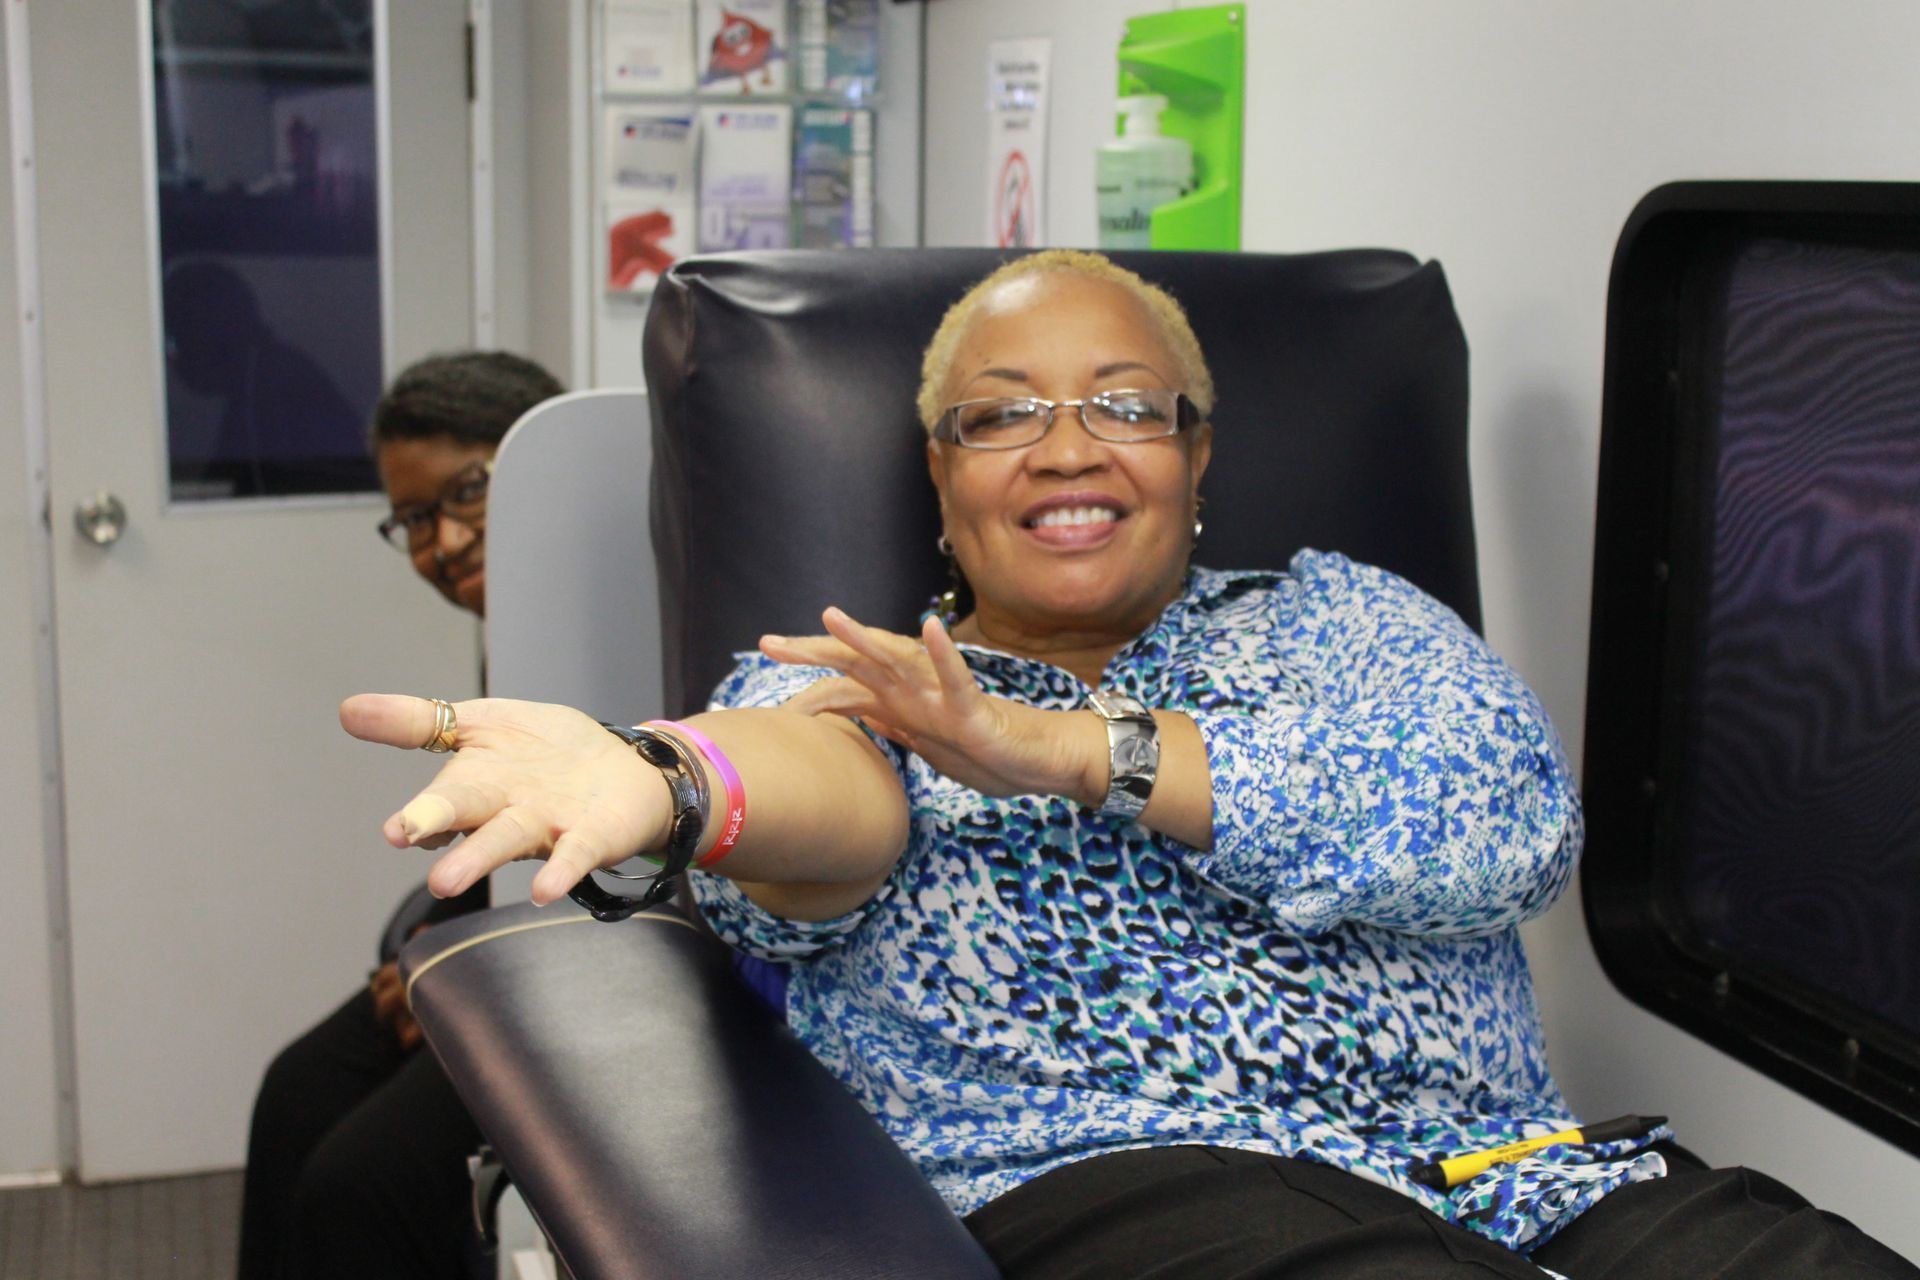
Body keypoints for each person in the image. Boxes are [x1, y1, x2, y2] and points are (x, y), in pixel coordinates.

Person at [340, 253, 1915, 1278]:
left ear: (1197, 454)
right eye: (999, 418)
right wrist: (668, 774)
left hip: (1523, 1178)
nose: (1068, 446)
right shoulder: (870, 678)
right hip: (1138, 1185)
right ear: (941, 482)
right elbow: (822, 785)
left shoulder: (1350, 617)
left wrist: (1065, 753)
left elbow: (1500, 828)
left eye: (1122, 407)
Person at [240, 351, 564, 1280]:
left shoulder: (629, 596)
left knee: (362, 1184)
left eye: (468, 491)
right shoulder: (508, 634)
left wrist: (451, 977)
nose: (448, 541)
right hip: (499, 948)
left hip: (584, 970)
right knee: (297, 1091)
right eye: (416, 520)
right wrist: (430, 952)